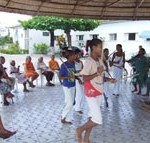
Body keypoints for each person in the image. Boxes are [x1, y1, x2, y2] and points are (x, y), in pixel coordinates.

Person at [76, 39, 116, 143]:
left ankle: (86, 139)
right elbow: (84, 78)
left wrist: (108, 79)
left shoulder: (99, 60)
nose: (101, 49)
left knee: (92, 117)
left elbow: (100, 77)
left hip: (99, 90)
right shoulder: (89, 61)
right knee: (98, 119)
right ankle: (79, 129)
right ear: (93, 47)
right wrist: (97, 74)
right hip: (90, 92)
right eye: (99, 47)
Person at [59, 50, 76, 125]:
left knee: (71, 102)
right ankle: (63, 116)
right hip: (66, 86)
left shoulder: (73, 64)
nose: (74, 57)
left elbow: (74, 74)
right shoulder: (63, 65)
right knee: (69, 103)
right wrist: (67, 76)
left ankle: (68, 119)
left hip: (73, 85)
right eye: (73, 55)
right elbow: (60, 77)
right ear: (69, 56)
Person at [74, 49, 84, 114]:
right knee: (79, 93)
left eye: (80, 54)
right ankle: (77, 108)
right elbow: (73, 72)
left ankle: (77, 107)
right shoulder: (73, 62)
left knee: (81, 94)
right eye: (79, 54)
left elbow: (83, 70)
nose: (80, 55)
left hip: (82, 78)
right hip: (76, 79)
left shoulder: (81, 62)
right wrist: (80, 71)